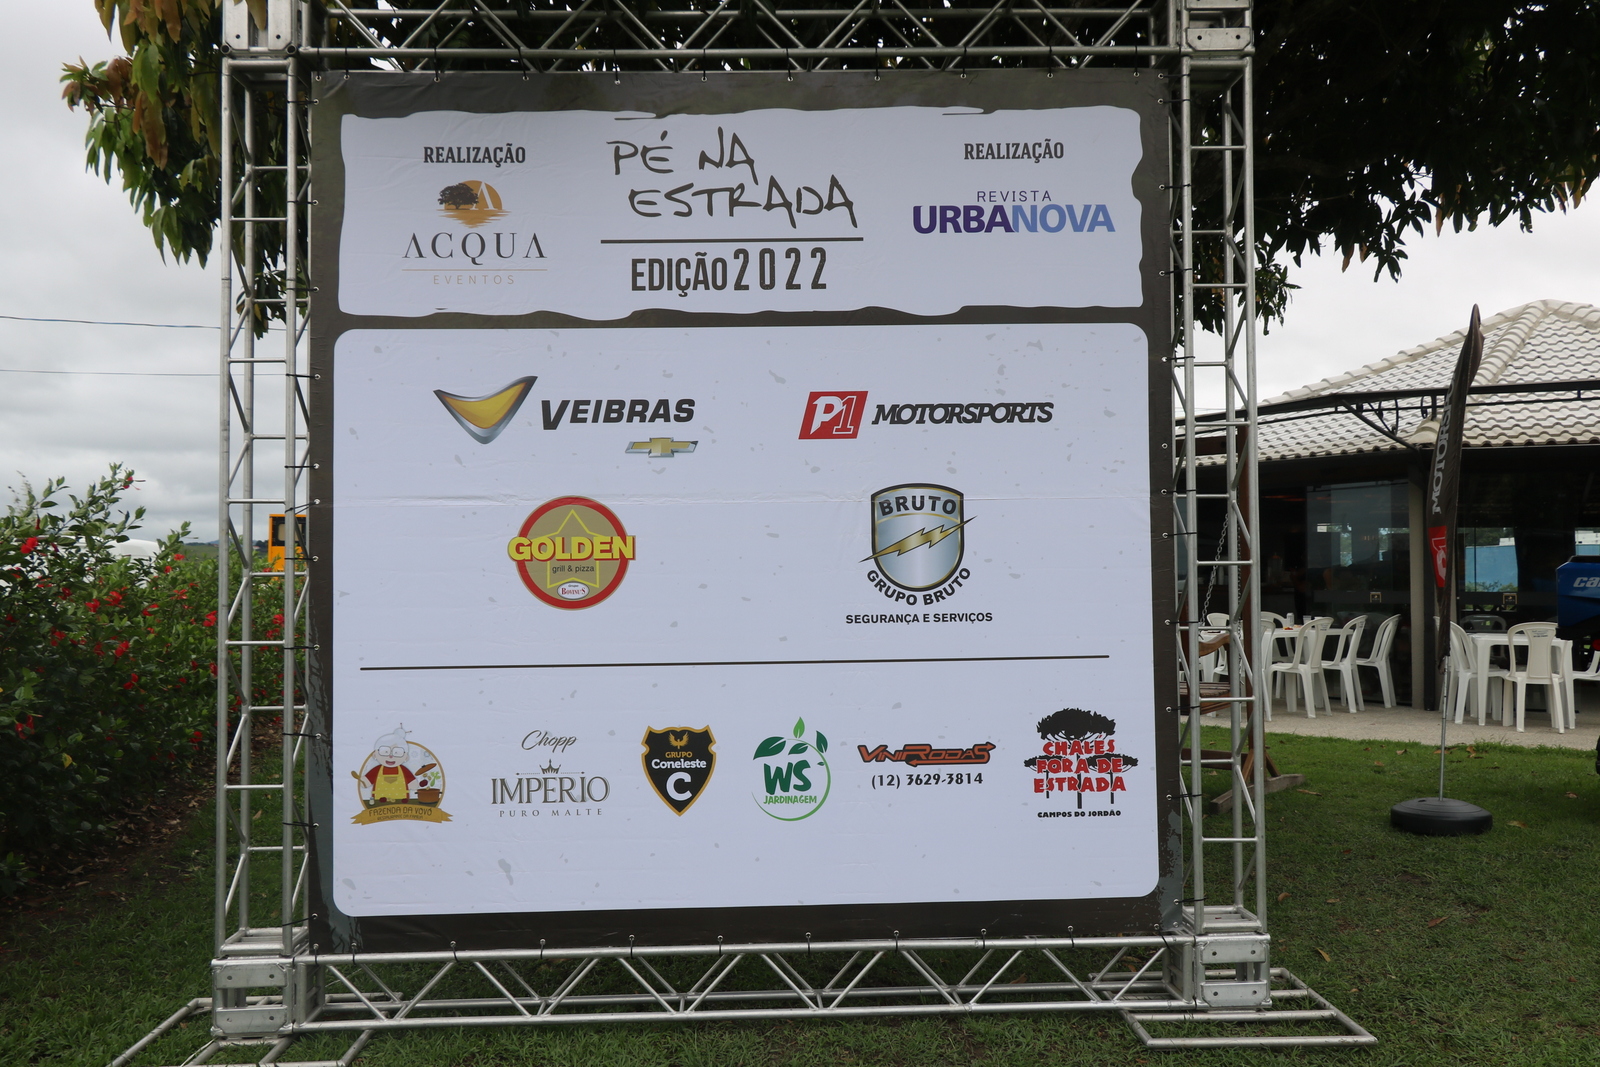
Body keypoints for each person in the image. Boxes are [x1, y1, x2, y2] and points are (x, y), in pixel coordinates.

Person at [362, 726, 415, 804]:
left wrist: (413, 784)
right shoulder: (377, 770)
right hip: (379, 802)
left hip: (401, 801)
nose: (390, 756)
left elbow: (413, 784)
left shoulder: (404, 770)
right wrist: (364, 782)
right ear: (375, 754)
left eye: (396, 752)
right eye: (385, 752)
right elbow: (366, 781)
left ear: (405, 757)